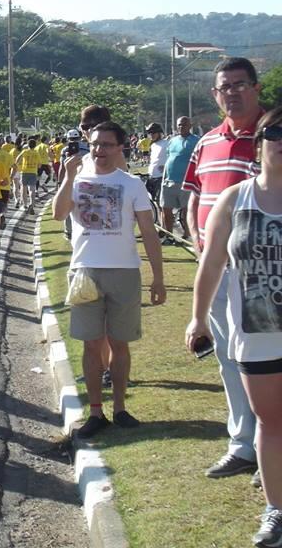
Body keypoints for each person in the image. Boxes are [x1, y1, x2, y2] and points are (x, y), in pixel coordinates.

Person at [185, 107, 282, 548]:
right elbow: (211, 263)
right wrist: (198, 316)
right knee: (270, 423)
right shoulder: (235, 199)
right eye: (276, 132)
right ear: (260, 141)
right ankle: (276, 510)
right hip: (256, 334)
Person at [53, 121, 165, 439]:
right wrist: (68, 175)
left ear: (121, 147)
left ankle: (120, 408)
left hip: (124, 272)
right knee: (91, 345)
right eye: (95, 144)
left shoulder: (131, 184)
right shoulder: (77, 179)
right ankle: (95, 412)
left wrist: (158, 278)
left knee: (120, 343)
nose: (100, 150)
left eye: (107, 145)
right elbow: (59, 214)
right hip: (85, 271)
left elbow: (148, 232)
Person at [182, 56, 263, 480]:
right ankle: (243, 444)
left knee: (266, 360)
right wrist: (198, 238)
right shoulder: (207, 141)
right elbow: (195, 192)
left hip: (260, 270)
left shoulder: (271, 137)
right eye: (223, 86)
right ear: (215, 95)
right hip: (215, 267)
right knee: (230, 357)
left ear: (255, 87)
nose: (231, 91)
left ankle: (270, 447)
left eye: (239, 84)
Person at [160, 116, 198, 243]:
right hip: (169, 181)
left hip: (186, 182)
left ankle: (187, 235)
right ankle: (168, 235)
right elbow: (168, 158)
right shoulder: (172, 141)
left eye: (184, 124)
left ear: (190, 126)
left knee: (186, 210)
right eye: (179, 125)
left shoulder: (196, 141)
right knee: (166, 209)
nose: (181, 127)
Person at [144, 122, 168, 208]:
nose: (151, 135)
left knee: (161, 202)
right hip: (152, 176)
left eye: (154, 132)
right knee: (154, 202)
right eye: (150, 133)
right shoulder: (153, 145)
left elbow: (172, 157)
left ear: (159, 132)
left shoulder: (166, 143)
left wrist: (166, 166)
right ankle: (159, 220)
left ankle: (164, 221)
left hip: (161, 177)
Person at [15, 138, 41, 214]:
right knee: (32, 189)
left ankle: (25, 205)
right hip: (33, 172)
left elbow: (17, 159)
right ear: (35, 145)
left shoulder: (24, 151)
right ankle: (32, 204)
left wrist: (19, 165)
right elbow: (39, 165)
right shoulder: (36, 153)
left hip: (24, 171)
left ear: (28, 145)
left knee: (23, 188)